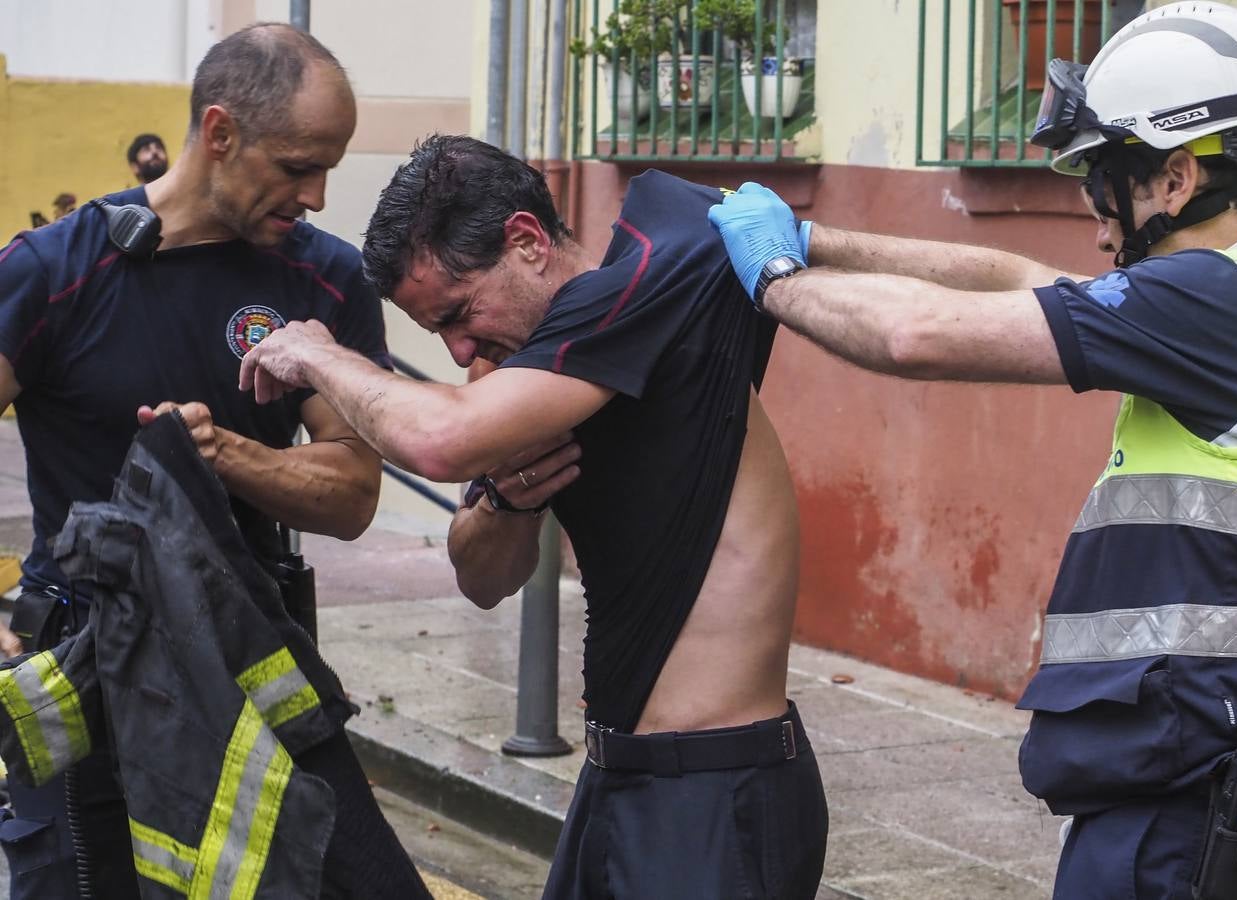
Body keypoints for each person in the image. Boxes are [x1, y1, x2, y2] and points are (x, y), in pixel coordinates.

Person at [709, 4, 1237, 899]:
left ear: (1175, 176)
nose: (1094, 219)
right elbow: (1023, 279)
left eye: (1100, 182)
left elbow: (914, 338)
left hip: (1190, 819)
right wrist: (814, 240)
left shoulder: (1210, 301)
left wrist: (773, 278)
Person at [237, 135, 829, 898]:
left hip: (713, 785)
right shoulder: (527, 365)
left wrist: (322, 356)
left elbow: (439, 438)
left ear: (525, 241)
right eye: (436, 334)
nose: (458, 353)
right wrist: (514, 503)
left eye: (458, 314)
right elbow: (482, 575)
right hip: (620, 778)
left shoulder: (635, 294)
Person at [0, 23, 429, 900]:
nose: (314, 194)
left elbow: (351, 492)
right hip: (84, 690)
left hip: (248, 687)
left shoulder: (326, 282)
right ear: (221, 133)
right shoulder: (56, 271)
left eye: (329, 170)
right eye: (296, 164)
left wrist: (221, 455)